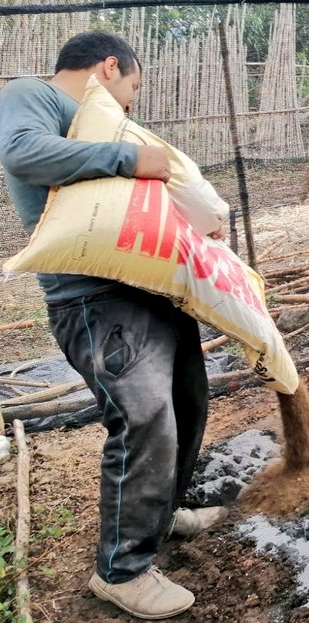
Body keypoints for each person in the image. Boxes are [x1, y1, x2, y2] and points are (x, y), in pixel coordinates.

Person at [0, 31, 227, 619]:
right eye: (131, 88)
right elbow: (22, 151)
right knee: (144, 418)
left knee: (187, 403)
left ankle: (161, 514)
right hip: (94, 299)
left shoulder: (106, 123)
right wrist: (131, 157)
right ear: (108, 67)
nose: (130, 104)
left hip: (148, 288)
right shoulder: (35, 95)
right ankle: (121, 572)